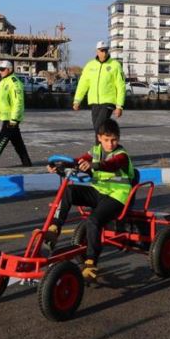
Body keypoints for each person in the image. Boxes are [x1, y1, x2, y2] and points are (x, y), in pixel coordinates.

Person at [44, 119, 134, 282]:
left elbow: (111, 165)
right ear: (99, 138)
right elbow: (78, 160)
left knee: (93, 220)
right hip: (99, 192)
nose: (110, 144)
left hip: (117, 197)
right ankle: (54, 228)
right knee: (69, 190)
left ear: (118, 139)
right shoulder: (95, 151)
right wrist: (57, 166)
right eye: (106, 140)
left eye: (113, 140)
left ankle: (91, 262)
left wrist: (93, 165)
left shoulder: (121, 155)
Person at [73, 41, 126, 138]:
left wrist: (119, 106)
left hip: (108, 101)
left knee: (99, 127)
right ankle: (102, 150)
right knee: (98, 130)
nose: (104, 53)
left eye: (106, 50)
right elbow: (83, 84)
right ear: (96, 51)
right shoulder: (90, 65)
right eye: (101, 50)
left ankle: (100, 151)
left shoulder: (115, 65)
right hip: (94, 102)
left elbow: (121, 86)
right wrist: (77, 100)